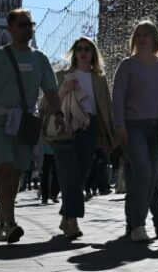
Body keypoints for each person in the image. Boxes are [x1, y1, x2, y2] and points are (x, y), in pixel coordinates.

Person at [0, 8, 65, 243]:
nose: (28, 28)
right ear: (10, 29)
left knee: (16, 175)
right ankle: (11, 224)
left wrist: (59, 114)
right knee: (4, 169)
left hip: (26, 123)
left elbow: (51, 91)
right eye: (22, 25)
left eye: (30, 24)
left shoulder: (40, 58)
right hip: (1, 120)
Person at [112, 20, 158, 242]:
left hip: (156, 127)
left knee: (150, 175)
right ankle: (138, 224)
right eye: (138, 34)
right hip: (133, 127)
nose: (142, 38)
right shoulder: (127, 65)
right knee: (143, 172)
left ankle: (134, 221)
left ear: (154, 39)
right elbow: (118, 98)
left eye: (146, 34)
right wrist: (119, 126)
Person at [45, 36, 116, 238]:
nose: (83, 52)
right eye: (79, 49)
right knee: (69, 175)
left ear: (93, 53)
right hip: (65, 127)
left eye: (87, 49)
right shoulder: (62, 75)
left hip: (89, 128)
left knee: (82, 174)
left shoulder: (100, 79)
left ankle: (66, 216)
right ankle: (73, 222)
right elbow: (49, 104)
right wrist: (64, 89)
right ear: (74, 53)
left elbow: (106, 109)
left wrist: (111, 135)